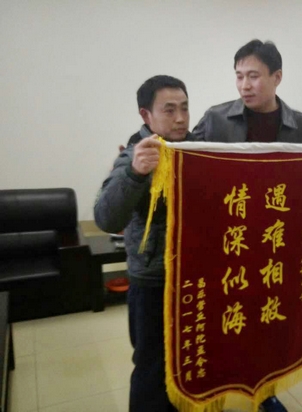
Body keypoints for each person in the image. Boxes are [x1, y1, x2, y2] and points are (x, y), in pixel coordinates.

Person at [193, 39, 302, 412]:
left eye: (253, 76)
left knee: (265, 321)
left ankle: (264, 390)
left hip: (273, 243)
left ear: (277, 77)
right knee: (223, 317)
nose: (244, 85)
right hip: (229, 239)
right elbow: (186, 161)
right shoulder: (216, 119)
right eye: (238, 76)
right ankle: (214, 391)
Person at [95, 75, 191, 412]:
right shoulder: (135, 156)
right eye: (169, 110)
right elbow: (106, 218)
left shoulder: (196, 151)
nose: (180, 118)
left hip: (195, 278)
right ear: (146, 115)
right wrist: (135, 173)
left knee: (193, 359)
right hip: (153, 281)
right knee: (152, 367)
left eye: (184, 108)